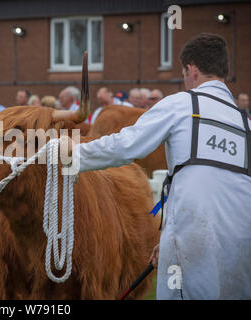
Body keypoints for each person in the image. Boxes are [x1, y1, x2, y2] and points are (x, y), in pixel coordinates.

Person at [68, 33, 251, 299]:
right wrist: (168, 238)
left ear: (191, 69)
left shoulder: (181, 103)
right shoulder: (244, 123)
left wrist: (70, 153)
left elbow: (126, 145)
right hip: (242, 243)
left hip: (195, 236)